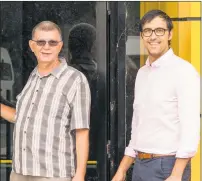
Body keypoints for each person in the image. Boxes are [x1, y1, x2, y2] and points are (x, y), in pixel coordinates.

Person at [112, 9, 200, 181]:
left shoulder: (183, 71)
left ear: (169, 34)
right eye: (147, 31)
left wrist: (176, 174)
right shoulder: (142, 73)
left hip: (167, 166)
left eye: (159, 30)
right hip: (140, 164)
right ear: (142, 36)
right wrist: (122, 169)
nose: (153, 36)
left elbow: (190, 127)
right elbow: (137, 127)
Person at [0, 21, 91, 181]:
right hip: (20, 172)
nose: (46, 47)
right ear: (32, 45)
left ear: (60, 46)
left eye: (52, 42)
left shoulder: (75, 79)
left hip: (52, 175)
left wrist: (80, 174)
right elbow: (20, 117)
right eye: (41, 42)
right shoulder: (33, 76)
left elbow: (81, 131)